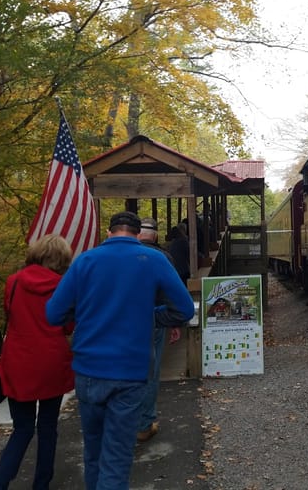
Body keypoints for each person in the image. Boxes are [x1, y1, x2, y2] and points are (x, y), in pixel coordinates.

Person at [45, 210, 195, 490]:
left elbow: (54, 314)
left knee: (93, 452)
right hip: (130, 373)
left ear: (108, 232)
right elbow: (184, 309)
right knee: (116, 457)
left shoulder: (85, 261)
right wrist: (151, 316)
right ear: (138, 235)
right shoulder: (154, 259)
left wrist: (86, 313)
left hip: (88, 371)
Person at [0, 234, 75, 490]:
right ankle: (41, 484)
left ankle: (0, 484)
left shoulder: (14, 282)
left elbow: (10, 313)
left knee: (22, 428)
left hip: (18, 361)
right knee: (48, 427)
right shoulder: (64, 286)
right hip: (51, 361)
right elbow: (68, 326)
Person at [136, 217, 184, 442]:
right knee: (151, 371)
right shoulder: (163, 257)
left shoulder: (122, 257)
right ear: (155, 235)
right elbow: (173, 295)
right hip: (154, 319)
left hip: (122, 322)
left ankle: (123, 420)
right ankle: (144, 424)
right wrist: (174, 323)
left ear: (138, 234)